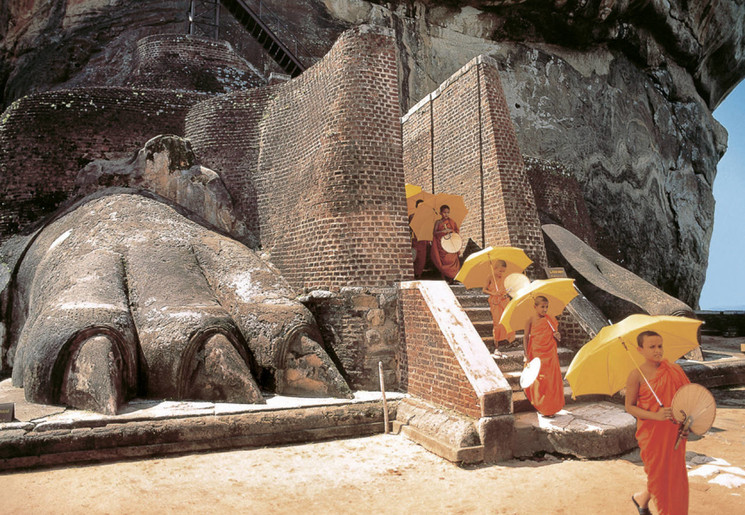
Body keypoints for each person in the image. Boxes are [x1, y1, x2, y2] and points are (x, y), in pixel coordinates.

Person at [625, 330, 690, 515]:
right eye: (651, 347)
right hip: (651, 434)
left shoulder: (674, 370)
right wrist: (657, 416)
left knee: (672, 477)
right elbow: (629, 407)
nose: (657, 350)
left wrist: (687, 426)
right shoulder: (636, 375)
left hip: (674, 432)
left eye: (660, 346)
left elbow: (688, 399)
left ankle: (641, 499)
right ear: (640, 350)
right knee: (658, 475)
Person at [523, 295, 564, 416]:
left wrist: (557, 336)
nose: (545, 310)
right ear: (535, 307)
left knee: (550, 380)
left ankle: (550, 408)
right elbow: (525, 337)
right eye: (542, 307)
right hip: (536, 352)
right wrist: (526, 354)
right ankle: (542, 406)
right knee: (540, 379)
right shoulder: (530, 319)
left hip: (550, 352)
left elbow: (556, 336)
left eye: (546, 307)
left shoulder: (550, 319)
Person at [482, 259, 515, 357]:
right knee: (497, 323)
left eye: (503, 271)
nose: (501, 273)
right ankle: (496, 346)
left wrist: (506, 295)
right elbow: (484, 290)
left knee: (507, 321)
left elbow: (508, 290)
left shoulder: (505, 278)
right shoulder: (490, 277)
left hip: (504, 301)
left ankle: (509, 341)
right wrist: (493, 293)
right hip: (495, 302)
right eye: (500, 271)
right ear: (495, 269)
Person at [430, 204, 460, 283]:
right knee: (444, 261)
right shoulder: (438, 222)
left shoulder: (452, 222)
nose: (446, 214)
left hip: (450, 244)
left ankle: (453, 278)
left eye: (448, 212)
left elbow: (456, 232)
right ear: (440, 213)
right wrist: (442, 231)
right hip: (442, 245)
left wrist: (451, 231)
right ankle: (446, 277)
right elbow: (434, 233)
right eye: (444, 212)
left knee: (452, 259)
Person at [409, 199, 430, 279]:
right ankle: (413, 273)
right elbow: (409, 227)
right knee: (414, 256)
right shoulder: (412, 216)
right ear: (416, 207)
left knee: (422, 258)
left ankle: (419, 274)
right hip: (415, 239)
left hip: (423, 239)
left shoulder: (426, 217)